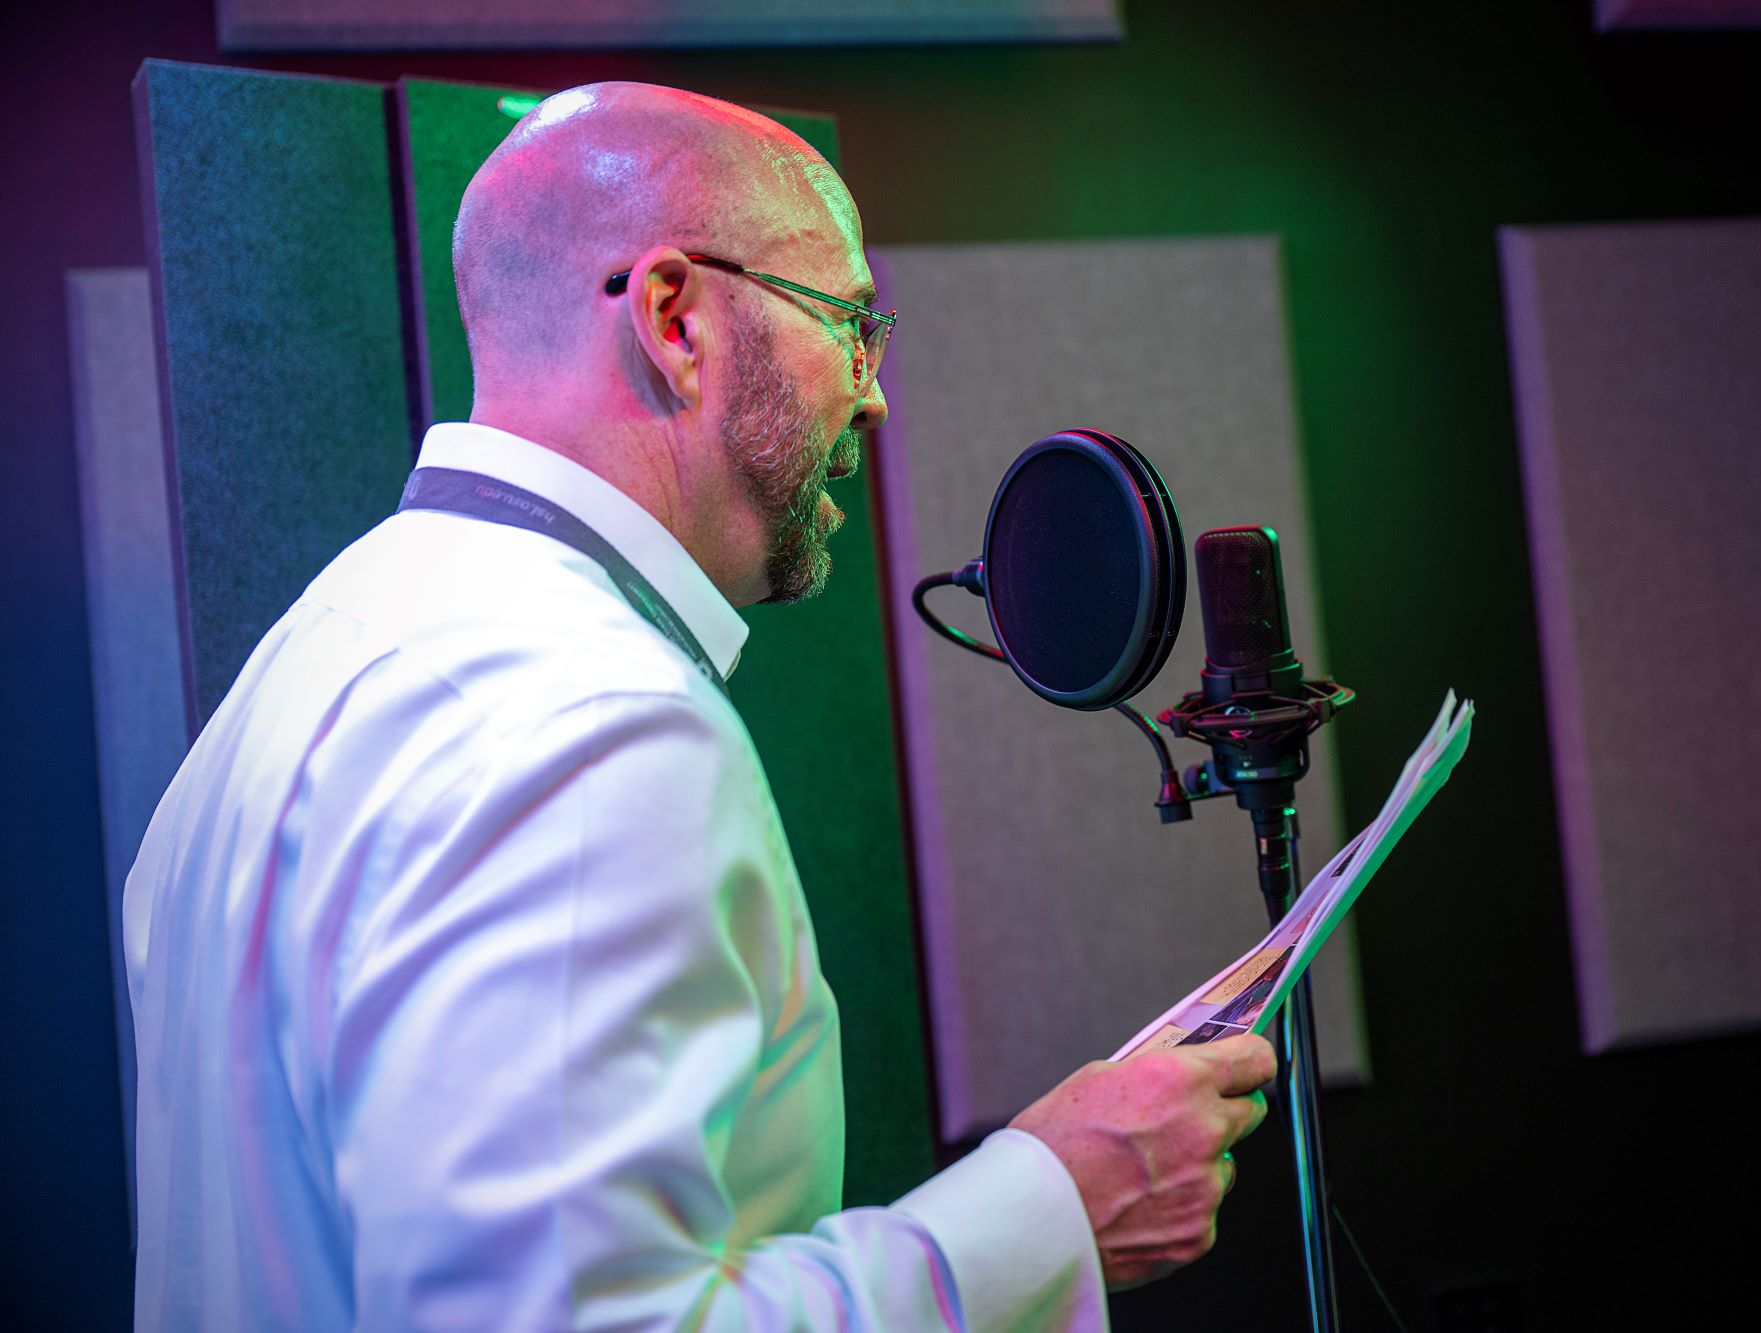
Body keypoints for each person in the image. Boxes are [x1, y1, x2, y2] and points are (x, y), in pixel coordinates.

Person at [123, 81, 1276, 1331]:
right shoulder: (589, 720)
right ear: (675, 319)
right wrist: (1047, 1210)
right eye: (850, 322)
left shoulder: (311, 660)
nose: (872, 395)